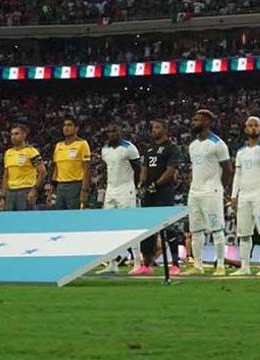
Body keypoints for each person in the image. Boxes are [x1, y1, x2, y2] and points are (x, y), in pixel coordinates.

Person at [186, 109, 232, 275]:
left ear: (206, 122)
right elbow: (195, 168)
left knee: (217, 229)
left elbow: (227, 169)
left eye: (197, 120)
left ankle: (220, 265)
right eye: (193, 120)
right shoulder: (192, 145)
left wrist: (220, 187)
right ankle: (198, 265)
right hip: (195, 193)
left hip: (211, 192)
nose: (193, 123)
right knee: (196, 230)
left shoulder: (218, 144)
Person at [231, 116, 260, 276]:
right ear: (245, 129)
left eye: (255, 125)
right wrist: (233, 195)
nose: (253, 128)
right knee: (244, 234)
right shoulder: (241, 152)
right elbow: (237, 174)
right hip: (244, 197)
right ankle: (245, 267)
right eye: (250, 126)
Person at [139, 119, 181, 274]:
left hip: (164, 192)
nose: (154, 130)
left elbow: (171, 170)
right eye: (153, 127)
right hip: (149, 194)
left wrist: (156, 184)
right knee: (148, 229)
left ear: (165, 129)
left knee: (168, 226)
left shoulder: (172, 148)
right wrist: (142, 184)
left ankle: (175, 264)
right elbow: (144, 168)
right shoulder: (149, 149)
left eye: (157, 127)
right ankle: (146, 265)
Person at [99, 122, 141, 273]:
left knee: (131, 226)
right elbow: (108, 169)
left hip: (126, 190)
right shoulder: (105, 149)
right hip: (111, 190)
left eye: (114, 131)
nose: (111, 134)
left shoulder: (129, 148)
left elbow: (138, 168)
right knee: (109, 226)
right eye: (109, 132)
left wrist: (133, 186)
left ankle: (137, 262)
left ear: (120, 132)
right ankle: (112, 263)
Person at [0, 123, 44, 211]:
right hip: (11, 192)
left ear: (24, 135)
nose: (13, 136)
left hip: (25, 190)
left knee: (26, 221)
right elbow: (6, 175)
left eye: (16, 134)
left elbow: (42, 172)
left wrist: (34, 190)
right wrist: (3, 197)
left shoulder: (31, 151)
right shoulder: (8, 153)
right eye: (12, 134)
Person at [51, 116, 92, 210]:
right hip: (60, 186)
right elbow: (56, 169)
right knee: (59, 215)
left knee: (73, 216)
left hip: (75, 185)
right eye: (64, 125)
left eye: (69, 125)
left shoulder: (82, 144)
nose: (66, 128)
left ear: (76, 128)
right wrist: (52, 190)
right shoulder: (58, 146)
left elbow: (87, 169)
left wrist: (84, 190)